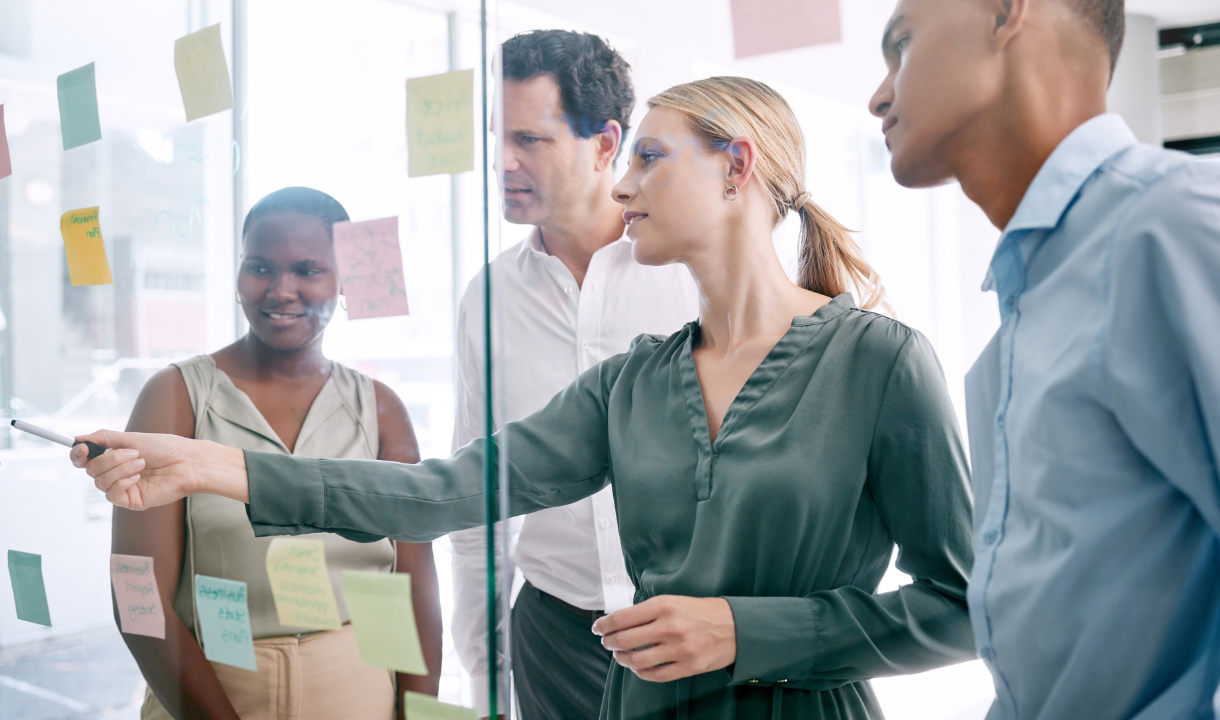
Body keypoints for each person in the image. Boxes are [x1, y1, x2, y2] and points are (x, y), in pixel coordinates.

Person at [78, 77, 978, 720]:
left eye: (650, 159)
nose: (621, 187)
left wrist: (747, 632)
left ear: (736, 167)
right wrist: (212, 464)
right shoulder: (632, 383)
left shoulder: (879, 364)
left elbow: (965, 605)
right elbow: (440, 493)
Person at [868, 0, 1220, 718]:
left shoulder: (1168, 224)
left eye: (902, 44)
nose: (879, 94)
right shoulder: (1030, 291)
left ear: (1006, 13)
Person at [112, 187, 443, 720]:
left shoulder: (380, 409)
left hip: (357, 689)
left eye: (309, 270)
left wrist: (417, 711)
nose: (281, 290)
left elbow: (414, 585)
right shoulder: (176, 397)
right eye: (260, 267)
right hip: (211, 688)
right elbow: (137, 601)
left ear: (344, 280)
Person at [450, 29, 697, 720]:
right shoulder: (488, 298)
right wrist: (485, 675)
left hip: (693, 631)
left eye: (531, 139)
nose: (503, 161)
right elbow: (479, 501)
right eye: (499, 134)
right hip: (553, 638)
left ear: (605, 144)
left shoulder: (693, 271)